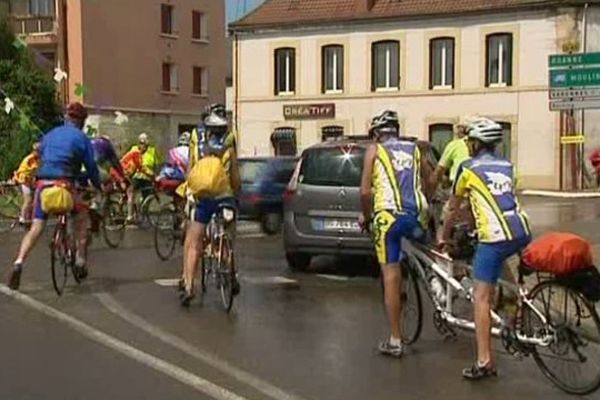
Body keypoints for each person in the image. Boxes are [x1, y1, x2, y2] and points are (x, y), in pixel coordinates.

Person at [440, 117, 531, 380]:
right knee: (509, 279)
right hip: (521, 230)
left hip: (494, 237)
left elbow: (452, 207)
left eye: (471, 141)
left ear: (478, 144)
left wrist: (444, 236)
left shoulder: (467, 168)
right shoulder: (508, 166)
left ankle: (484, 361)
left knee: (481, 297)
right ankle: (513, 320)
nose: (468, 145)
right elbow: (493, 201)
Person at [359, 110, 432, 357]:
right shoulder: (415, 149)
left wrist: (366, 216)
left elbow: (365, 192)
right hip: (415, 215)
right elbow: (430, 180)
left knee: (390, 274)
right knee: (430, 251)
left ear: (377, 134)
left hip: (387, 217)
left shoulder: (374, 151)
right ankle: (439, 288)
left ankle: (395, 339)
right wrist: (427, 200)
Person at [7, 103, 101, 290]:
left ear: (66, 118)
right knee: (81, 217)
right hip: (64, 185)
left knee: (36, 227)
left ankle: (18, 262)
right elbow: (91, 167)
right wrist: (98, 186)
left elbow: (43, 155)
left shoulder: (49, 135)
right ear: (82, 121)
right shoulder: (82, 138)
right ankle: (80, 260)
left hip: (43, 185)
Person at [179, 111, 241, 306]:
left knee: (195, 242)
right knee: (228, 232)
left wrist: (190, 191)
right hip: (224, 197)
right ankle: (231, 269)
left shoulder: (199, 148)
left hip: (203, 198)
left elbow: (190, 171)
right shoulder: (229, 149)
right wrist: (236, 195)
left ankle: (189, 286)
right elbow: (236, 178)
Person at [124, 133, 160, 224]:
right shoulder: (134, 149)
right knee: (131, 192)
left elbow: (157, 165)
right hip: (136, 175)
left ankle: (141, 213)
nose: (143, 146)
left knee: (146, 195)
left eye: (144, 144)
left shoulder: (152, 151)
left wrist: (155, 175)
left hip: (146, 177)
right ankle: (130, 215)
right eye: (141, 143)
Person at [12, 141, 40, 225]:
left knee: (33, 199)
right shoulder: (31, 159)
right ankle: (22, 218)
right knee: (28, 200)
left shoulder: (35, 158)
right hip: (23, 180)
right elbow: (35, 170)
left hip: (28, 180)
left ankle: (28, 216)